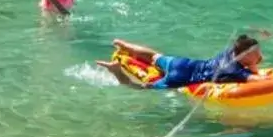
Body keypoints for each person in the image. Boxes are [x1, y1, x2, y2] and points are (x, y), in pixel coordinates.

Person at [103, 33, 263, 88]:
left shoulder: (230, 52)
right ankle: (117, 71)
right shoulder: (233, 69)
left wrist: (252, 60)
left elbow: (246, 61)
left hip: (182, 63)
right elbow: (258, 80)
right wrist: (254, 65)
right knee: (142, 87)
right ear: (245, 55)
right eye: (256, 52)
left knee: (155, 56)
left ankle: (125, 45)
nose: (260, 55)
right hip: (181, 78)